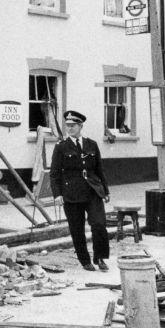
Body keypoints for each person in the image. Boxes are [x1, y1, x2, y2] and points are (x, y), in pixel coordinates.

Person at [50, 110, 111, 271]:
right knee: (77, 229)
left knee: (99, 225)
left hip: (92, 191)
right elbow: (54, 173)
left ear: (80, 126)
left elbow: (99, 169)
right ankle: (85, 260)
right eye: (67, 126)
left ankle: (100, 257)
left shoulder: (92, 144)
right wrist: (57, 194)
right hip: (71, 194)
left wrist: (105, 191)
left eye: (73, 125)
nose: (69, 128)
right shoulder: (61, 147)